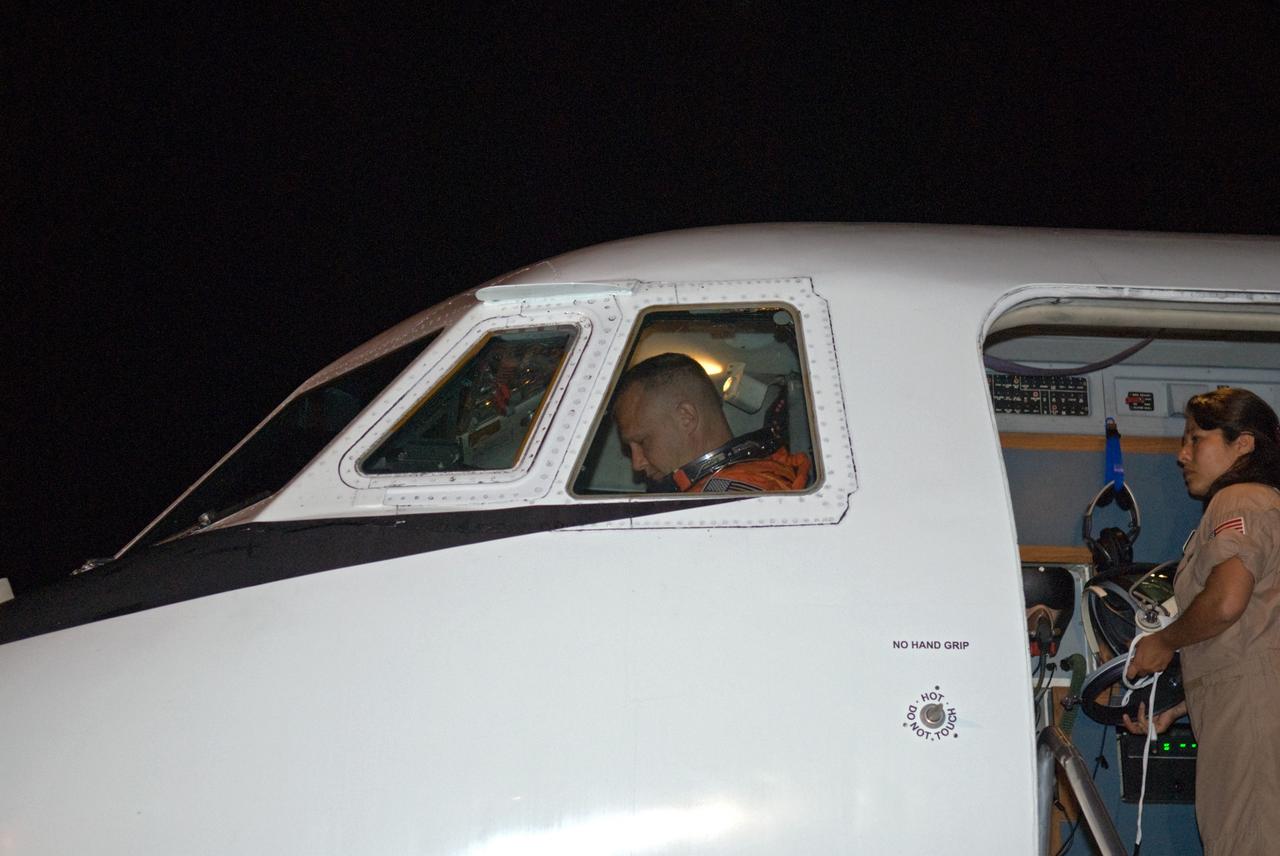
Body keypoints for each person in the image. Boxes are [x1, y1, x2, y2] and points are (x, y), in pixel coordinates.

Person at [1124, 387, 1280, 855]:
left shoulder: (1238, 500)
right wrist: (1183, 707)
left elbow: (1228, 601)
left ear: (1243, 444)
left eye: (1196, 438)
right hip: (1250, 703)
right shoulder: (1265, 503)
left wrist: (1164, 641)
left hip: (1250, 714)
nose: (1182, 454)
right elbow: (1258, 638)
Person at [612, 352, 810, 493]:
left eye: (643, 442)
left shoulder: (722, 502)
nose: (637, 463)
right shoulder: (759, 482)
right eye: (630, 448)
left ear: (686, 418)